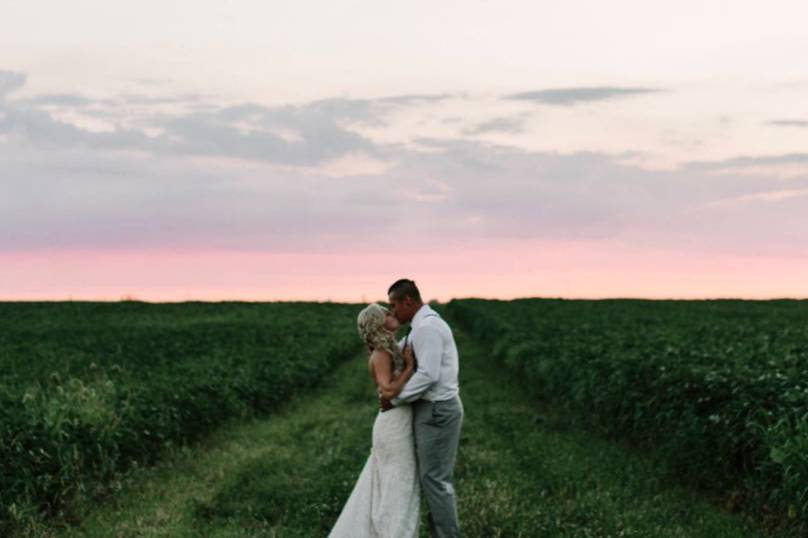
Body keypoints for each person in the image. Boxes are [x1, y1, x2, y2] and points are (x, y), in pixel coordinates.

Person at [328, 303, 420, 537]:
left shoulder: (389, 349)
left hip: (399, 420)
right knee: (396, 483)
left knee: (398, 483)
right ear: (379, 323)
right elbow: (387, 391)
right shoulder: (381, 354)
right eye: (387, 314)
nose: (392, 314)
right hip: (393, 425)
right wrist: (409, 368)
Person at [382, 279, 463, 538]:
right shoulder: (419, 327)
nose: (393, 311)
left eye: (394, 305)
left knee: (435, 481)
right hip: (431, 409)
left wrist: (395, 399)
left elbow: (427, 374)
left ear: (408, 301)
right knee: (431, 479)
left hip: (437, 410)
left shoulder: (427, 328)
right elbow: (395, 354)